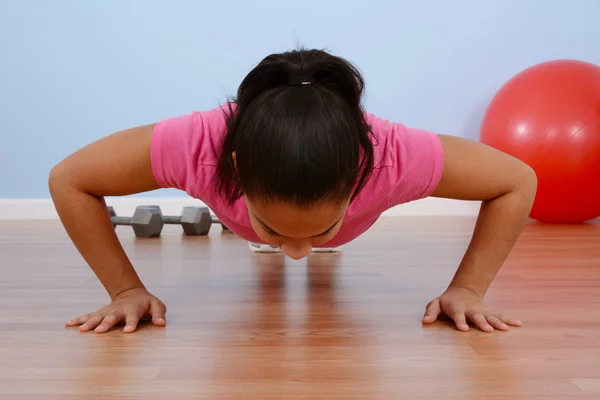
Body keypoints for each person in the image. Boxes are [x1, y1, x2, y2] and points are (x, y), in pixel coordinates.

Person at [49, 48, 537, 335]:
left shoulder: (393, 156)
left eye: (323, 230)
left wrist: (468, 288)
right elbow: (70, 179)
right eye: (275, 231)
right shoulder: (197, 146)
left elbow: (516, 180)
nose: (299, 256)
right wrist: (126, 291)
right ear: (236, 171)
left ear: (361, 175)